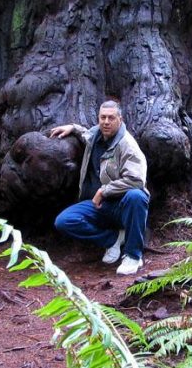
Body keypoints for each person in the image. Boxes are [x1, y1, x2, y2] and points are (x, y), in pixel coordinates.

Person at [51, 101, 149, 275]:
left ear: (120, 119)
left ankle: (133, 255)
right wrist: (72, 127)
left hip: (121, 207)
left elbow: (137, 180)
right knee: (64, 221)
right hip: (98, 206)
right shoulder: (96, 135)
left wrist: (104, 190)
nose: (106, 121)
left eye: (111, 118)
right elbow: (85, 133)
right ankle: (112, 240)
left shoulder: (127, 145)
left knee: (137, 196)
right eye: (102, 117)